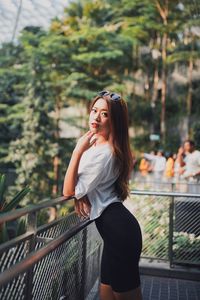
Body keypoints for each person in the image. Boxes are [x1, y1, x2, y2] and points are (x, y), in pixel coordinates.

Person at [63, 90, 143, 300]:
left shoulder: (104, 153)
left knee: (126, 295)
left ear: (114, 120)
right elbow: (82, 185)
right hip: (115, 232)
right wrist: (83, 191)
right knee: (106, 292)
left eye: (105, 114)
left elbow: (68, 191)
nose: (96, 117)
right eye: (94, 110)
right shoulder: (100, 147)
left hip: (120, 233)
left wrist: (76, 151)